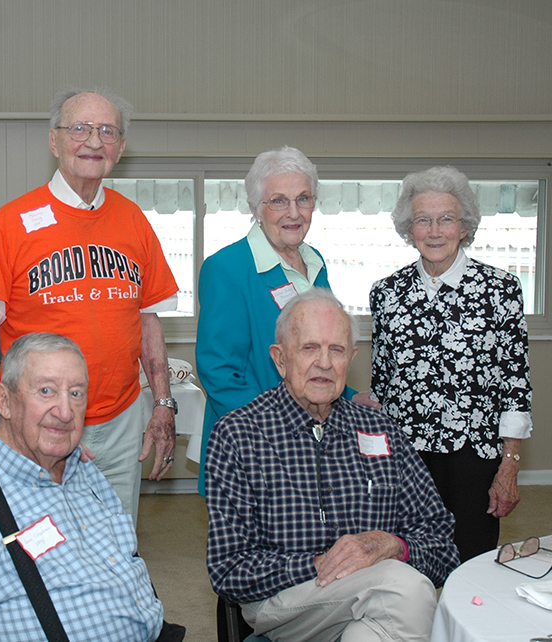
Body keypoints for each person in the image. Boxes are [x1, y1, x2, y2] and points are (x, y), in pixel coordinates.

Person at [0, 88, 179, 522]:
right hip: (40, 419)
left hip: (121, 422)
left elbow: (148, 322)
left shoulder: (134, 220)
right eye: (80, 129)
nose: (94, 141)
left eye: (107, 131)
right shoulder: (10, 223)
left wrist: (162, 404)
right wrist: (0, 422)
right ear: (55, 141)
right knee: (41, 552)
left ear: (120, 148)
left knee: (116, 548)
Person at [205, 288, 458, 642]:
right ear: (280, 359)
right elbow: (228, 569)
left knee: (369, 633)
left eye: (336, 350)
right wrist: (320, 564)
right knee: (406, 588)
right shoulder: (238, 434)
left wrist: (393, 546)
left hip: (374, 600)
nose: (324, 363)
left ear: (350, 358)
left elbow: (443, 544)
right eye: (309, 348)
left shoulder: (381, 430)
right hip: (285, 602)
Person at [0, 333, 178, 642]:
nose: (65, 412)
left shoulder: (84, 471)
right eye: (46, 391)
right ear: (4, 401)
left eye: (76, 394)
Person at [369, 166, 532, 562]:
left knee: (472, 562)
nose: (435, 230)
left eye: (446, 219)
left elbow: (515, 383)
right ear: (409, 229)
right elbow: (381, 385)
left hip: (473, 457)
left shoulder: (500, 289)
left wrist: (508, 465)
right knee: (404, 563)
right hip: (404, 459)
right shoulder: (386, 294)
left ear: (465, 227)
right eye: (423, 220)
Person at [195, 145, 376, 494]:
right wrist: (280, 431)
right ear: (256, 209)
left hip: (313, 446)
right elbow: (220, 373)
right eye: (278, 201)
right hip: (255, 451)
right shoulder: (228, 269)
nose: (293, 212)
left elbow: (316, 352)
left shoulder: (315, 262)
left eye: (303, 199)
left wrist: (350, 397)